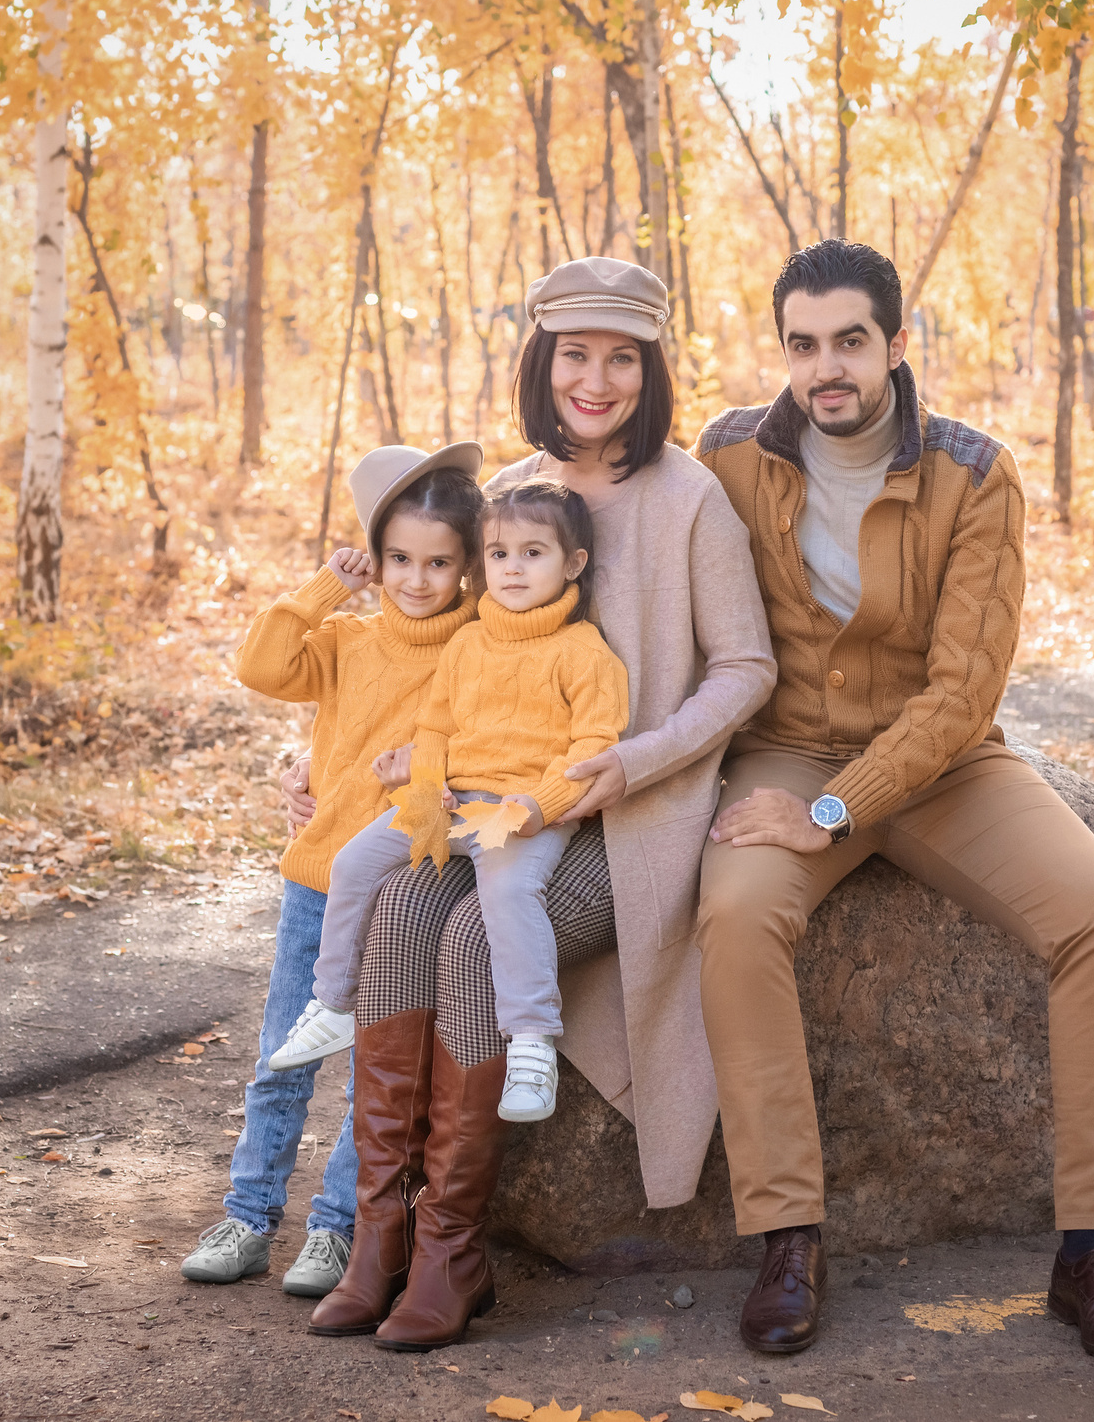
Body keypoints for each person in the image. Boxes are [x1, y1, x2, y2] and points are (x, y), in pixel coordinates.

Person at [692, 239, 1094, 1361]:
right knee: (738, 916)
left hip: (945, 765)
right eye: (802, 344)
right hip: (789, 750)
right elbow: (602, 537)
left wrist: (835, 812)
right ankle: (789, 1238)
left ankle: (1090, 1250)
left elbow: (962, 691)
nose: (825, 368)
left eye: (849, 340)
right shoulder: (726, 456)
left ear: (897, 345)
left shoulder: (972, 472)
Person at [303, 257, 776, 1352]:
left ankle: (454, 1247)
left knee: (472, 935)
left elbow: (745, 668)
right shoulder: (511, 487)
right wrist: (341, 758)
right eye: (576, 352)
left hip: (624, 818)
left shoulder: (689, 496)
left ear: (650, 367)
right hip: (484, 802)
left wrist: (640, 758)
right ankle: (387, 1231)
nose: (596, 378)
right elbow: (436, 656)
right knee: (402, 907)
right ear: (542, 358)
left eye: (622, 356)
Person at [188, 442, 483, 1295]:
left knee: (375, 1069)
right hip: (318, 881)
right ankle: (248, 1214)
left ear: (467, 567)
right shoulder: (349, 637)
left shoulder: (474, 648)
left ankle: (334, 1227)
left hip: (406, 889)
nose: (417, 580)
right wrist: (327, 585)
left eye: (438, 562)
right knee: (284, 1052)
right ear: (376, 556)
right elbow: (261, 664)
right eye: (399, 559)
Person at [272, 479, 630, 1127]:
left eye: (533, 553)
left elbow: (591, 748)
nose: (512, 568)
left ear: (573, 563)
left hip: (521, 809)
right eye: (498, 555)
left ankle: (530, 1039)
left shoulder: (584, 653)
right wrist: (426, 784)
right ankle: (331, 1003)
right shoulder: (468, 643)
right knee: (355, 863)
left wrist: (537, 805)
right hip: (448, 798)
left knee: (507, 893)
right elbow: (433, 726)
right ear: (480, 565)